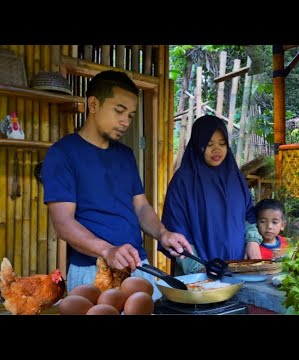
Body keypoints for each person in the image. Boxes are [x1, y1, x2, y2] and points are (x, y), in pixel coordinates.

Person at [41, 70, 192, 300]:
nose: (125, 122)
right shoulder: (62, 154)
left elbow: (141, 207)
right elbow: (63, 223)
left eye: (130, 115)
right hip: (93, 272)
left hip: (138, 266)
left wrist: (163, 234)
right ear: (93, 104)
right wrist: (107, 250)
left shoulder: (125, 155)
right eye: (119, 111)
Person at [161, 114, 263, 275]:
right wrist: (200, 269)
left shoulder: (235, 178)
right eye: (209, 144)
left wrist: (252, 240)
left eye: (222, 144)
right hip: (197, 276)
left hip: (237, 271)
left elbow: (247, 215)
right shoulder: (183, 181)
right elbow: (176, 231)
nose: (217, 149)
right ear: (197, 145)